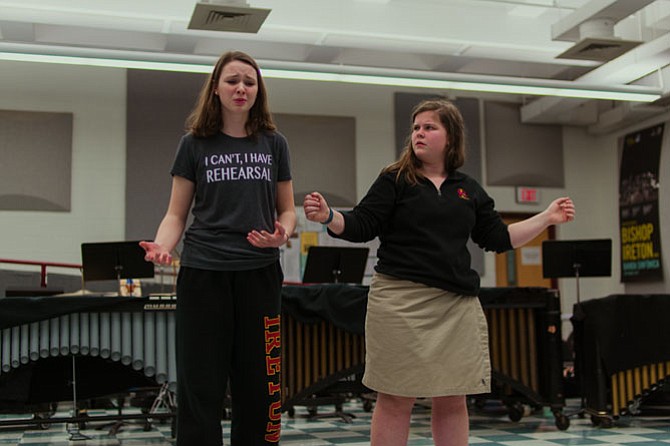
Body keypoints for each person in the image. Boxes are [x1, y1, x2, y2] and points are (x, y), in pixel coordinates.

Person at [303, 98, 575, 446]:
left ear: (450, 136)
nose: (419, 132)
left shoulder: (469, 190)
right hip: (399, 302)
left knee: (452, 396)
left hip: (455, 305)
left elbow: (499, 238)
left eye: (429, 127)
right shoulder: (394, 180)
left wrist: (546, 218)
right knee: (396, 396)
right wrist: (329, 216)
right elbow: (361, 225)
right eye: (416, 127)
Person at [140, 50, 296, 446]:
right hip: (203, 273)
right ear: (215, 88)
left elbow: (288, 210)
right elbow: (176, 214)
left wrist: (283, 233)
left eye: (249, 81)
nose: (241, 88)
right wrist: (162, 246)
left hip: (259, 275)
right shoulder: (193, 145)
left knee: (261, 387)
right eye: (232, 80)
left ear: (258, 90)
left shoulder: (274, 144)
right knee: (200, 386)